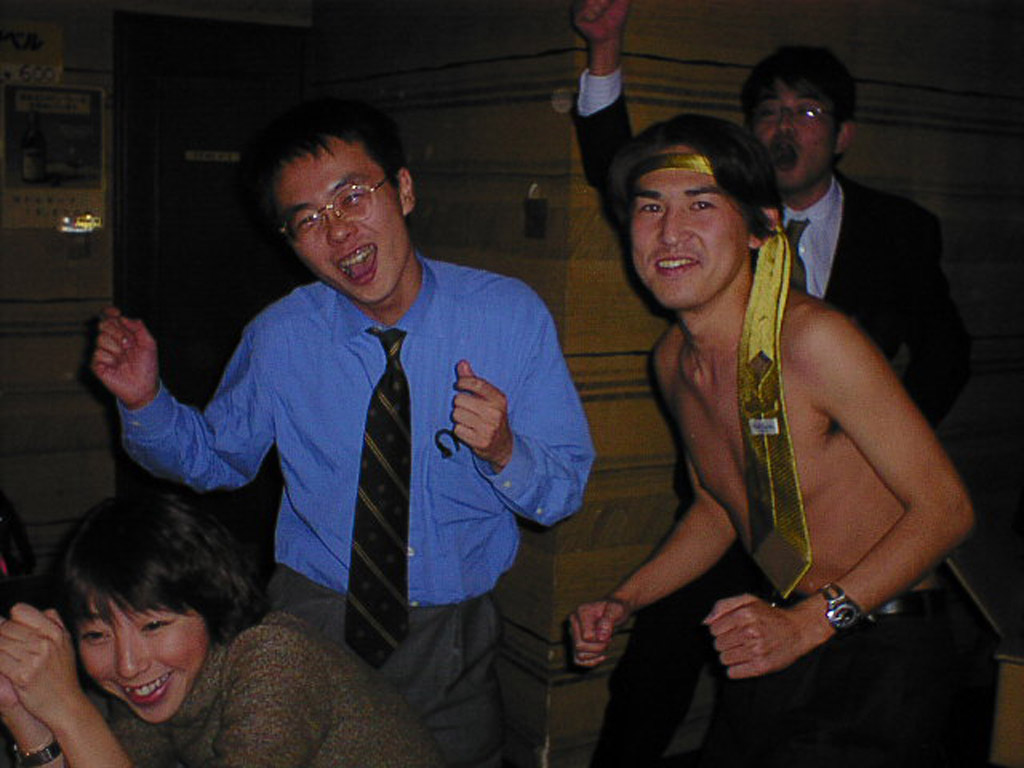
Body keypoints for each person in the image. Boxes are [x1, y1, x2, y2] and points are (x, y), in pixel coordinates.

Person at [89, 98, 595, 767]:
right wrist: (145, 400)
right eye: (307, 220)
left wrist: (504, 450)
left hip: (452, 634)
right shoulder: (280, 336)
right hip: (313, 620)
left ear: (403, 189)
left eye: (353, 196)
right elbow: (216, 460)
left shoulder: (508, 316)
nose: (337, 230)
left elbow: (561, 493)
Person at [570, 3, 972, 763]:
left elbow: (948, 510)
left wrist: (812, 622)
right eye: (650, 208)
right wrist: (626, 597)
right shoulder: (672, 361)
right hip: (776, 622)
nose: (670, 232)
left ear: (760, 227)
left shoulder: (815, 339)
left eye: (700, 205)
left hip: (878, 643)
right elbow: (722, 509)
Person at [0, 495, 445, 768]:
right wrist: (24, 715)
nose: (128, 664)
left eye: (154, 625)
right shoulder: (156, 683)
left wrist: (70, 711)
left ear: (212, 606)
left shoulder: (276, 659)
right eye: (97, 635)